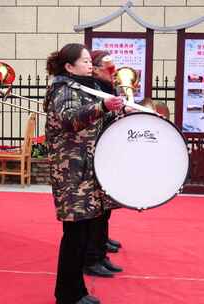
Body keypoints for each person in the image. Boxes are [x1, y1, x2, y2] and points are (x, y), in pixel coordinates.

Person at [45, 43, 125, 304]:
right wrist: (103, 107)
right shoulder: (64, 90)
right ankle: (67, 294)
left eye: (91, 61)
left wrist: (115, 110)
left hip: (84, 169)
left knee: (81, 235)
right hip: (72, 172)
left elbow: (95, 122)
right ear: (69, 66)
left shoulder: (83, 88)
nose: (90, 65)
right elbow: (70, 118)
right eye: (85, 61)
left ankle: (75, 291)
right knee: (74, 236)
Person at [80, 50, 124, 279]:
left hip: (105, 152)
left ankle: (99, 253)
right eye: (107, 66)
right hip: (93, 155)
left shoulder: (106, 86)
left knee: (104, 210)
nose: (112, 70)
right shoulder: (91, 88)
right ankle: (92, 256)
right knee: (96, 212)